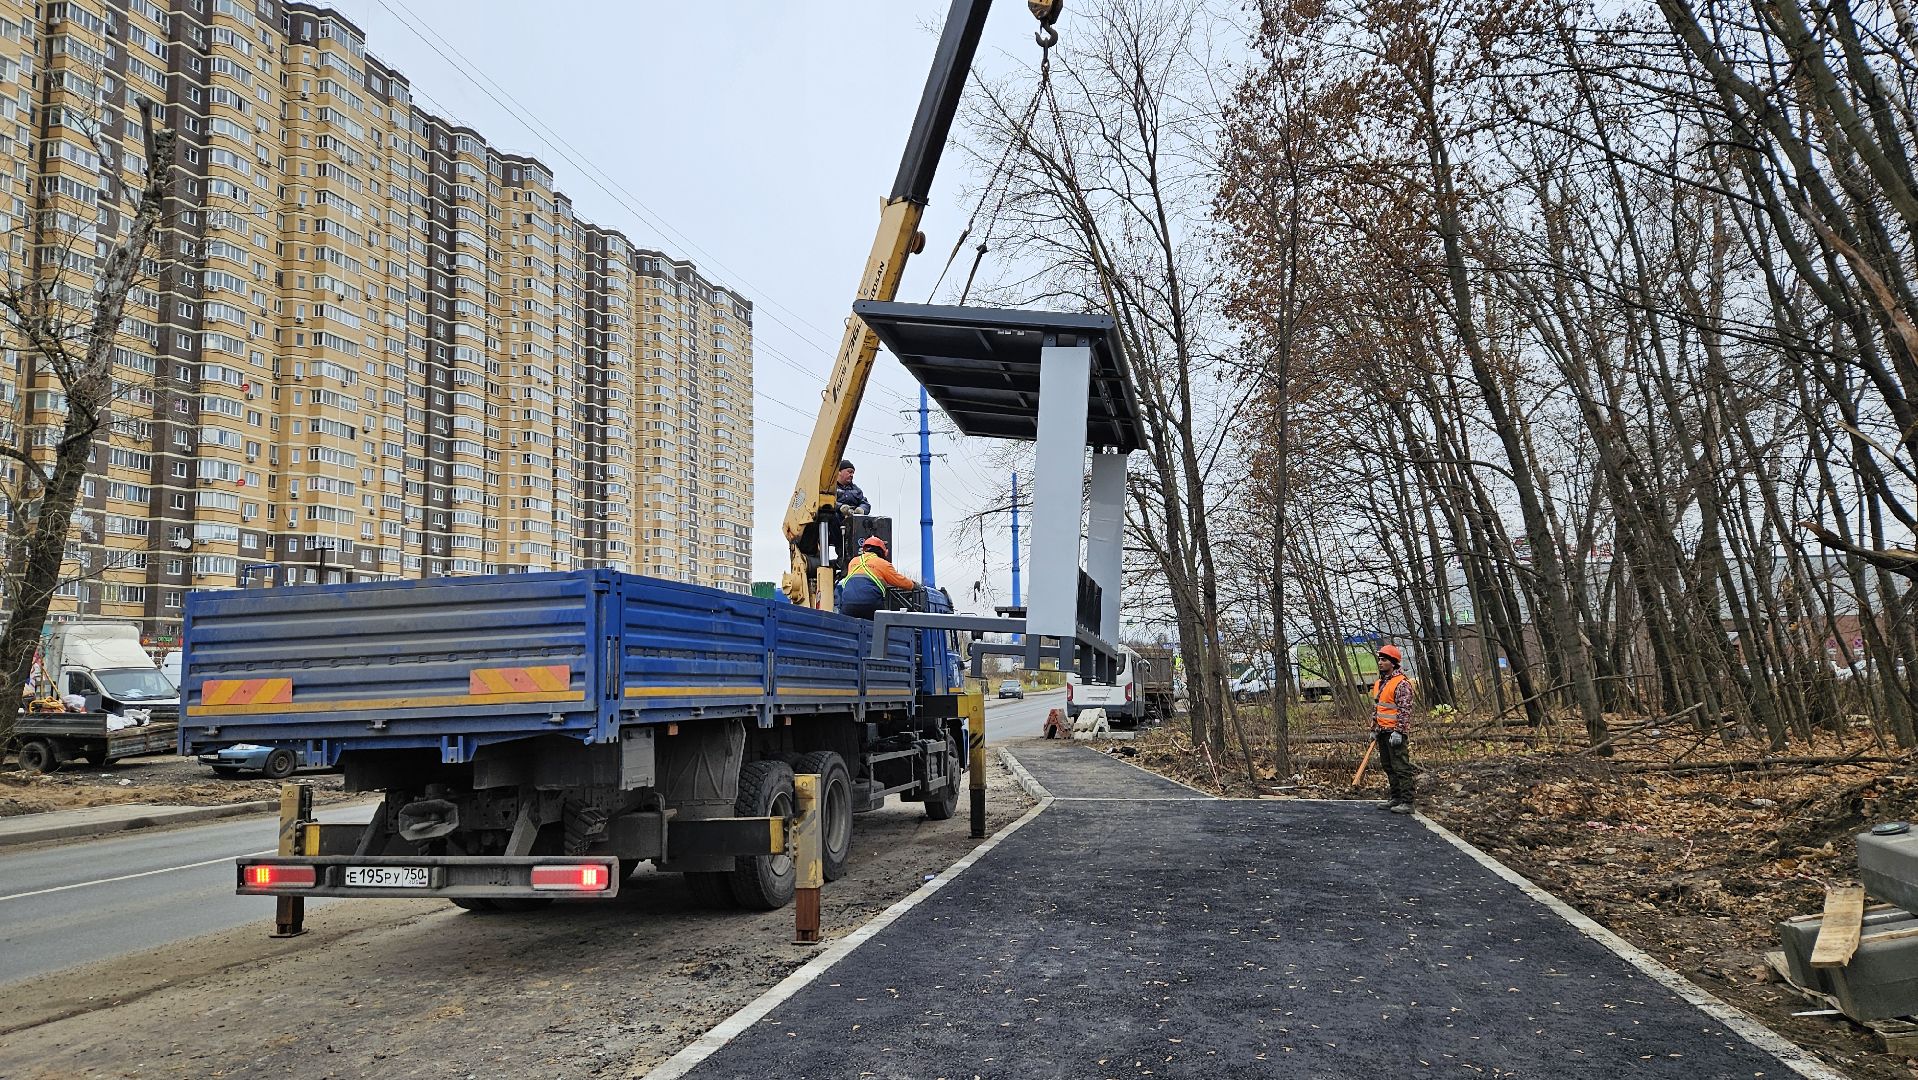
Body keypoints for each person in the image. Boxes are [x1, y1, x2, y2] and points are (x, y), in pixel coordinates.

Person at [1371, 644, 1417, 814]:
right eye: (1380, 660)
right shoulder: (1380, 683)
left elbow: (1405, 710)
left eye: (1384, 660)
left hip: (1394, 733)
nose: (1380, 663)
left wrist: (1399, 731)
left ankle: (1408, 802)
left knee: (1401, 767)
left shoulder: (1401, 684)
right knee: (1388, 766)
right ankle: (1396, 798)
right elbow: (1378, 708)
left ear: (1393, 663)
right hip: (1382, 732)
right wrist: (1374, 728)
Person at [837, 535, 915, 619]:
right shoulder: (883, 563)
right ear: (882, 551)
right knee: (880, 624)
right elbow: (899, 580)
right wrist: (913, 585)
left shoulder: (853, 561)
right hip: (870, 604)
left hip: (848, 604)